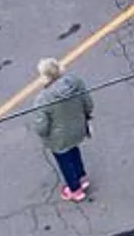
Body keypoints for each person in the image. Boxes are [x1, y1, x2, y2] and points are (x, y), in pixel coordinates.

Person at [34, 60, 94, 202]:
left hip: (59, 137)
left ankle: (75, 189)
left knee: (65, 160)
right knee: (74, 150)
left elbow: (41, 127)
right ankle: (82, 177)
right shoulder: (75, 82)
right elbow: (88, 103)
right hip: (77, 128)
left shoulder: (43, 99)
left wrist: (43, 133)